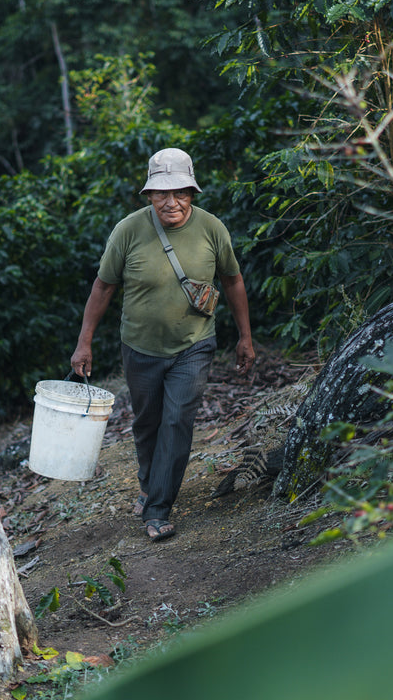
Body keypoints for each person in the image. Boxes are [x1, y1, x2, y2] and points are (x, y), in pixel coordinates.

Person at [70, 147, 255, 542]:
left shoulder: (211, 229)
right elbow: (103, 287)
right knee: (147, 422)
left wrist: (245, 337)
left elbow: (233, 280)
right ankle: (148, 485)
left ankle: (158, 508)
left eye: (180, 192)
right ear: (149, 194)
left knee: (177, 421)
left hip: (194, 345)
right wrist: (84, 343)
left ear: (193, 191)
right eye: (161, 193)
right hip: (139, 347)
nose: (171, 202)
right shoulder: (128, 230)